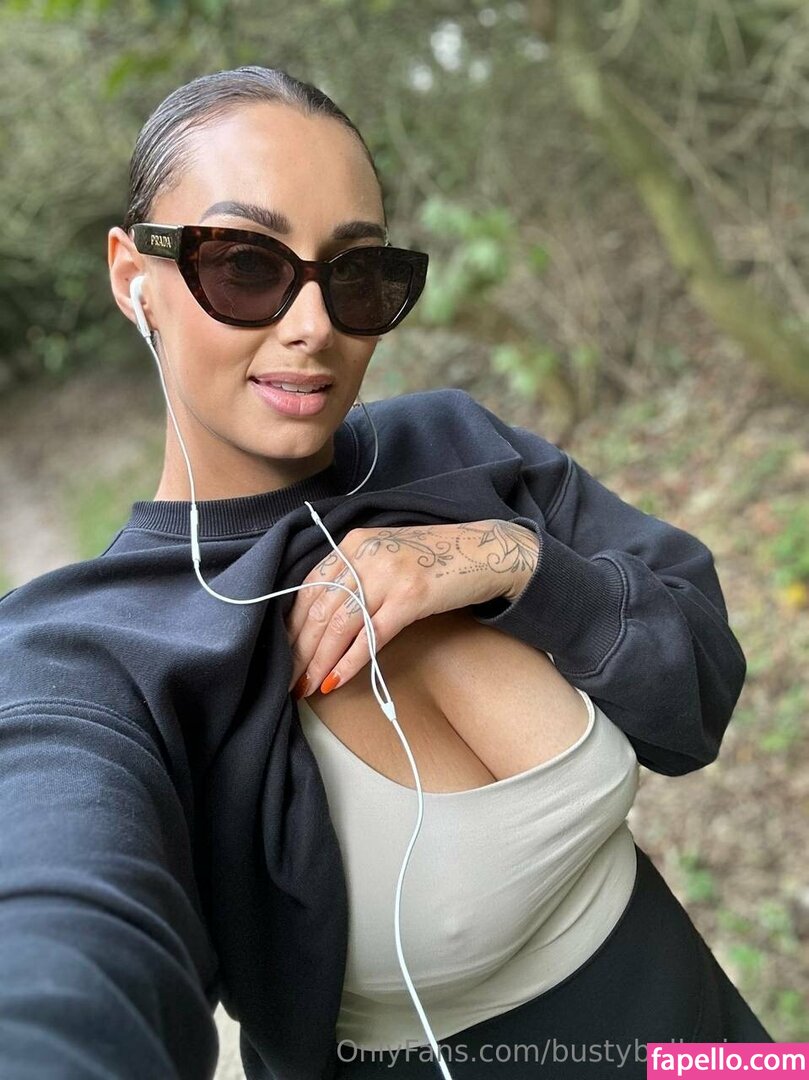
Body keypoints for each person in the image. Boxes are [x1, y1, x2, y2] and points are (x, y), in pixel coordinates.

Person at [0, 66, 772, 1080]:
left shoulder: (455, 445)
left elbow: (699, 692)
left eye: (357, 274)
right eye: (246, 265)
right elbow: (61, 936)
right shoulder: (84, 651)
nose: (313, 325)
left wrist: (510, 560)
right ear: (132, 275)